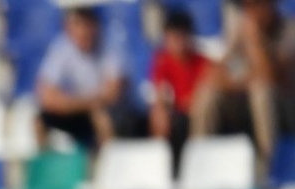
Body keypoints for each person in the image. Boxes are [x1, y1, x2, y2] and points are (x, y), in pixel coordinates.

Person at [192, 0, 295, 157]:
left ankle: (268, 163)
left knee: (261, 93)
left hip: (285, 106)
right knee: (208, 94)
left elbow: (271, 77)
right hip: (246, 100)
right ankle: (201, 158)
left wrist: (255, 41)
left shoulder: (289, 30)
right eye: (248, 7)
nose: (252, 12)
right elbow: (217, 74)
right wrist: (245, 79)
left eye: (257, 5)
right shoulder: (241, 30)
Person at [36, 6, 136, 152]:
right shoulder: (61, 47)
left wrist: (69, 102)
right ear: (69, 28)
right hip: (83, 111)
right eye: (78, 25)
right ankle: (48, 167)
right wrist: (84, 104)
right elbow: (46, 95)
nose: (83, 31)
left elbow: (113, 93)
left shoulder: (112, 45)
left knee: (100, 116)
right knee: (39, 121)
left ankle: (107, 166)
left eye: (87, 24)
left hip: (118, 115)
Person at [149, 9, 212, 164]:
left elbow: (204, 96)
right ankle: (162, 167)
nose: (177, 42)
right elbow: (161, 93)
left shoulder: (204, 63)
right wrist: (161, 110)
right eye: (173, 37)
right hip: (176, 115)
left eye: (181, 36)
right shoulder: (162, 62)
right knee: (160, 118)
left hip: (196, 115)